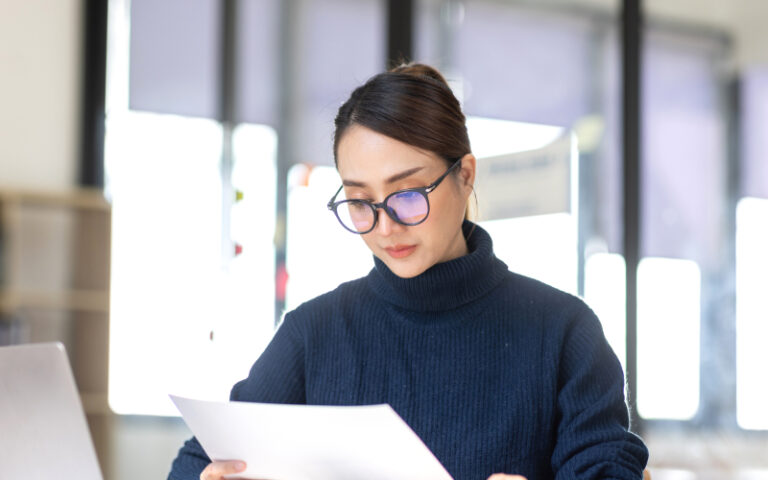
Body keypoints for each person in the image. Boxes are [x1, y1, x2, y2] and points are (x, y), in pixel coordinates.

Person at [168, 63, 649, 480]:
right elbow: (196, 461)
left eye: (407, 194)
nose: (385, 226)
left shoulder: (562, 332)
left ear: (465, 175)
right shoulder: (314, 334)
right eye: (360, 202)